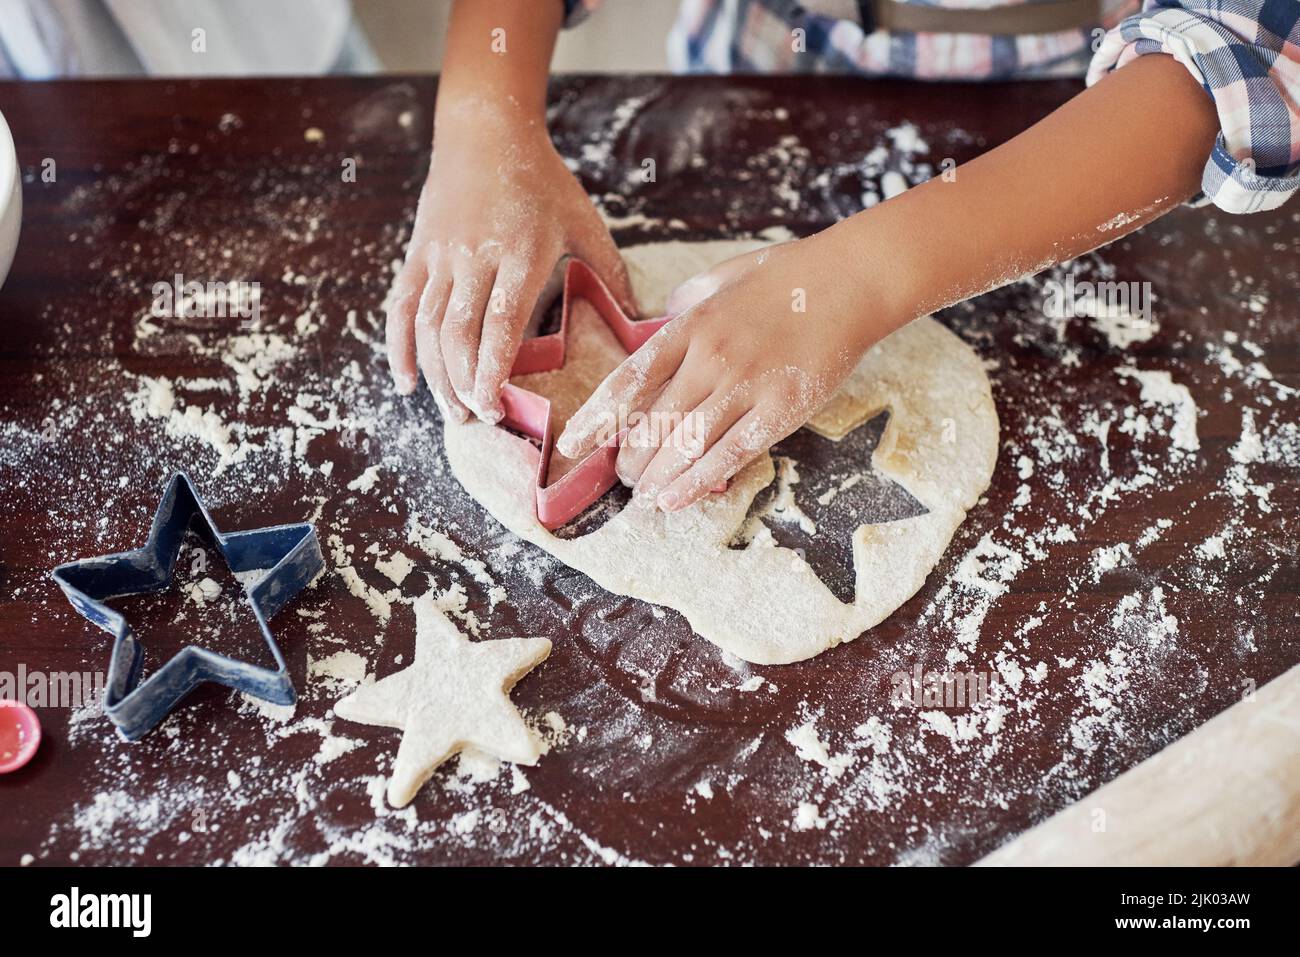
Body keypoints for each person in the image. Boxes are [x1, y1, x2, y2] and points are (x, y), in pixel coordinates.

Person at [385, 0, 1297, 514]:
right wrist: (482, 124)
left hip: (1074, 134)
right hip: (759, 68)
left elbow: (1236, 62)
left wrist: (854, 280)